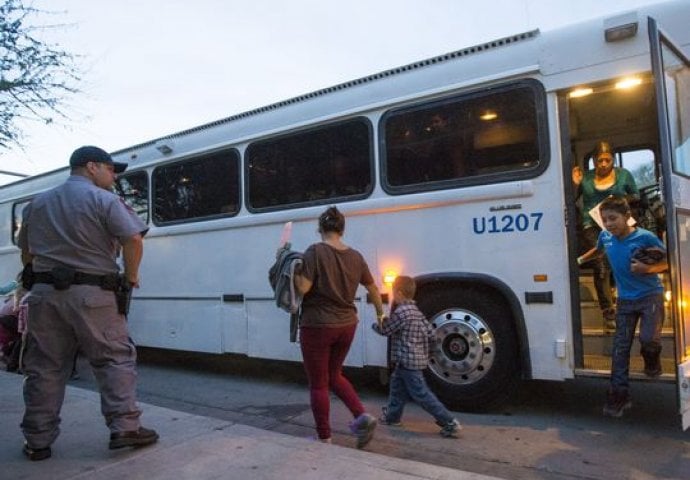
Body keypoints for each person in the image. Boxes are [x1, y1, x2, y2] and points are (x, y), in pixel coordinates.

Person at [16, 145, 158, 461]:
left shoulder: (36, 204)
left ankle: (37, 440)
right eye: (110, 169)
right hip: (94, 294)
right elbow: (133, 238)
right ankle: (124, 428)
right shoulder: (103, 200)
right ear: (91, 167)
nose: (114, 176)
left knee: (45, 367)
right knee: (112, 359)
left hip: (43, 295)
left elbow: (27, 252)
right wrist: (131, 276)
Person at [294, 206, 383, 448]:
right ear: (342, 229)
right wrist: (380, 313)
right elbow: (373, 289)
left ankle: (324, 438)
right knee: (334, 375)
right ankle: (362, 417)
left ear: (320, 228)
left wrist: (291, 270)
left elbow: (302, 288)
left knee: (319, 383)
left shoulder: (315, 252)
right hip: (347, 325)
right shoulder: (356, 256)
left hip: (319, 325)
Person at [577, 196, 667, 418]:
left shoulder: (645, 237)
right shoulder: (605, 236)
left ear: (627, 217)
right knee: (620, 349)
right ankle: (619, 395)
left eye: (613, 219)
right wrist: (578, 260)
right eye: (605, 220)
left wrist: (648, 269)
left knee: (649, 339)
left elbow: (669, 261)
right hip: (625, 300)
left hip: (650, 297)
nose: (608, 224)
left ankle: (652, 359)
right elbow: (599, 250)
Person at [371, 276, 461, 437]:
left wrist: (376, 324)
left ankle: (449, 421)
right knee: (396, 388)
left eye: (393, 293)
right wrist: (427, 352)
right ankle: (392, 417)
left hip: (407, 361)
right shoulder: (417, 313)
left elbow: (386, 330)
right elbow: (432, 334)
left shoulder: (401, 312)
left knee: (422, 394)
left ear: (398, 293)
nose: (393, 297)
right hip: (413, 361)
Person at [572, 141, 639, 330]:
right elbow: (571, 200)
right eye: (599, 160)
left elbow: (636, 196)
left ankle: (625, 298)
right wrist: (575, 185)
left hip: (618, 224)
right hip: (592, 224)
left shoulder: (624, 175)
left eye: (607, 160)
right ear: (593, 160)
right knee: (601, 259)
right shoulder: (586, 177)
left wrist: (618, 200)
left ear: (613, 159)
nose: (603, 164)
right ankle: (608, 311)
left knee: (620, 258)